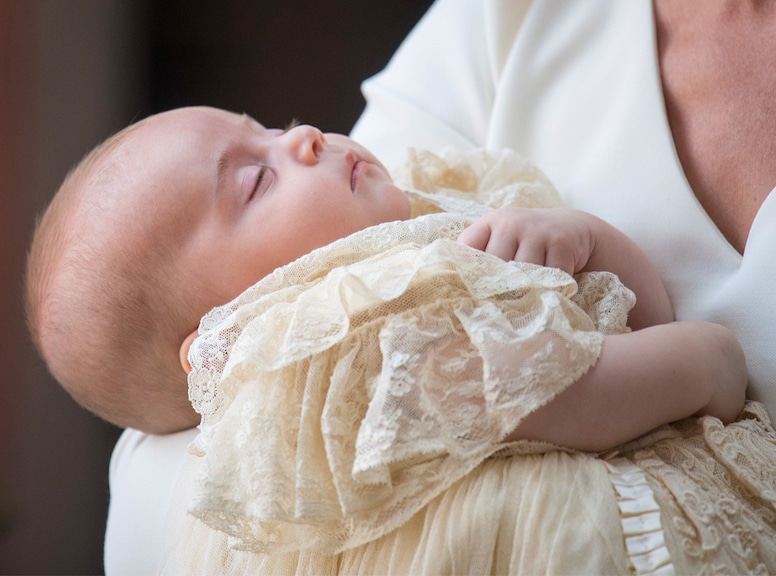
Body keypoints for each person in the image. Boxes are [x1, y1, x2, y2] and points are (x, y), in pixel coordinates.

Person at [100, 0, 776, 572]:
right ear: (224, 334)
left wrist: (589, 240)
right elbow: (557, 394)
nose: (302, 136)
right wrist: (702, 361)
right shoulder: (341, 338)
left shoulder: (430, 207)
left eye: (270, 130)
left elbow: (631, 322)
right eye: (257, 180)